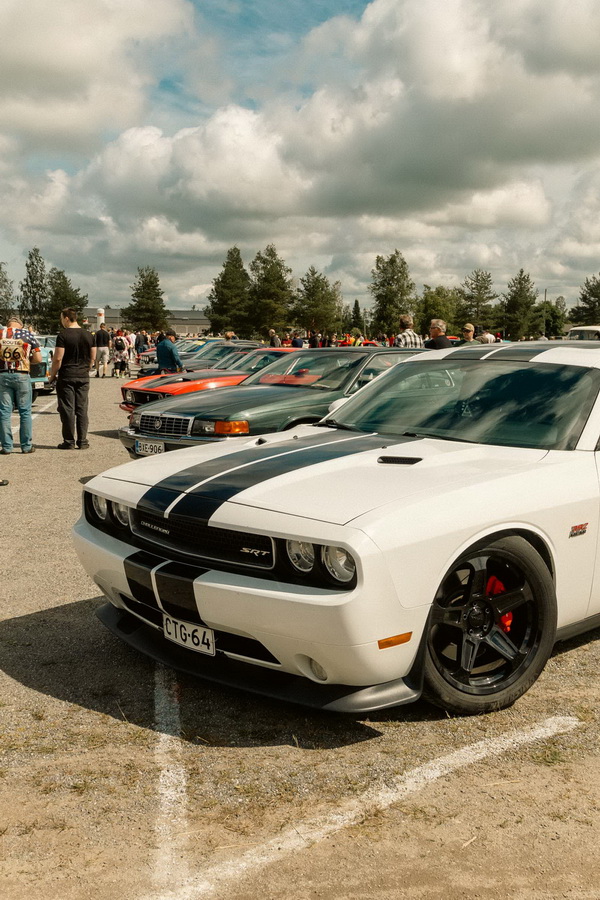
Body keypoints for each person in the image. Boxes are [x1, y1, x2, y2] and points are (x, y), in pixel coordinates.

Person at [48, 308, 95, 450]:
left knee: (67, 409)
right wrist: (86, 368)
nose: (61, 321)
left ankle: (69, 441)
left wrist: (52, 375)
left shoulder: (63, 335)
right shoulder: (89, 335)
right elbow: (93, 357)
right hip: (83, 376)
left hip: (67, 375)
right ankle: (83, 440)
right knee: (82, 408)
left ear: (67, 318)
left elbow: (58, 358)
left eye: (61, 318)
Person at [0, 314, 42, 454]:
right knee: (25, 412)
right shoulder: (27, 335)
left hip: (3, 375)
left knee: (4, 412)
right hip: (22, 374)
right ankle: (26, 446)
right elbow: (38, 358)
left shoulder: (0, 334)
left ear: (8, 324)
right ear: (21, 325)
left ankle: (7, 447)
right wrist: (28, 361)